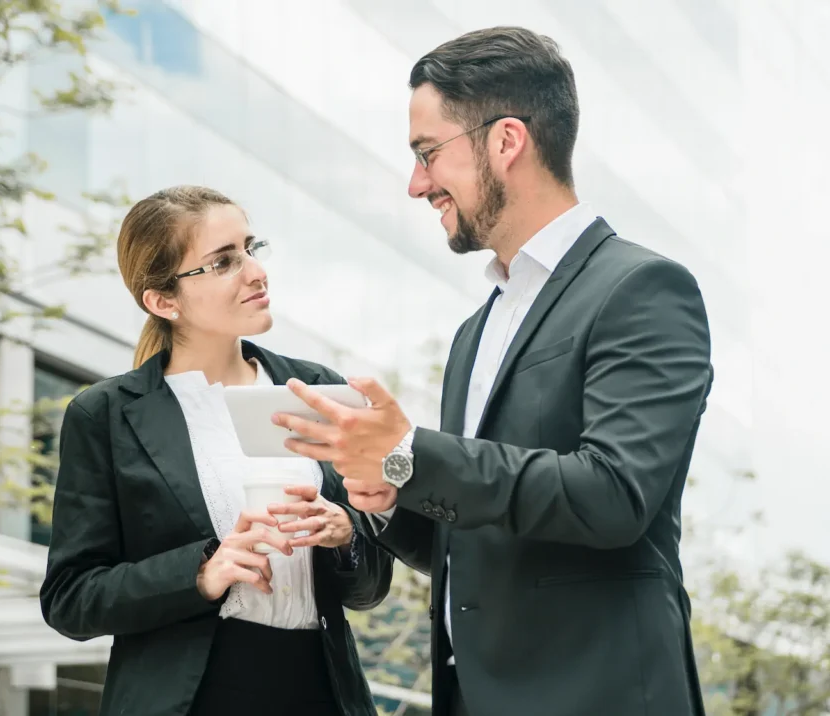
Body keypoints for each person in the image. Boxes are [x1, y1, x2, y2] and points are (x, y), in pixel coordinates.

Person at [272, 27, 712, 716]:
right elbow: (474, 543)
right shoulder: (474, 333)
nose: (417, 183)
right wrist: (384, 492)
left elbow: (614, 495)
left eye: (427, 154)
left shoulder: (643, 288)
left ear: (506, 141)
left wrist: (410, 452)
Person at [39, 185, 392, 716]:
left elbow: (369, 588)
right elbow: (70, 599)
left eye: (252, 248)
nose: (255, 271)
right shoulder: (105, 414)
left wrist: (345, 535)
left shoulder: (315, 388)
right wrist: (203, 571)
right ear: (163, 301)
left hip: (321, 688)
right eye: (224, 261)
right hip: (191, 696)